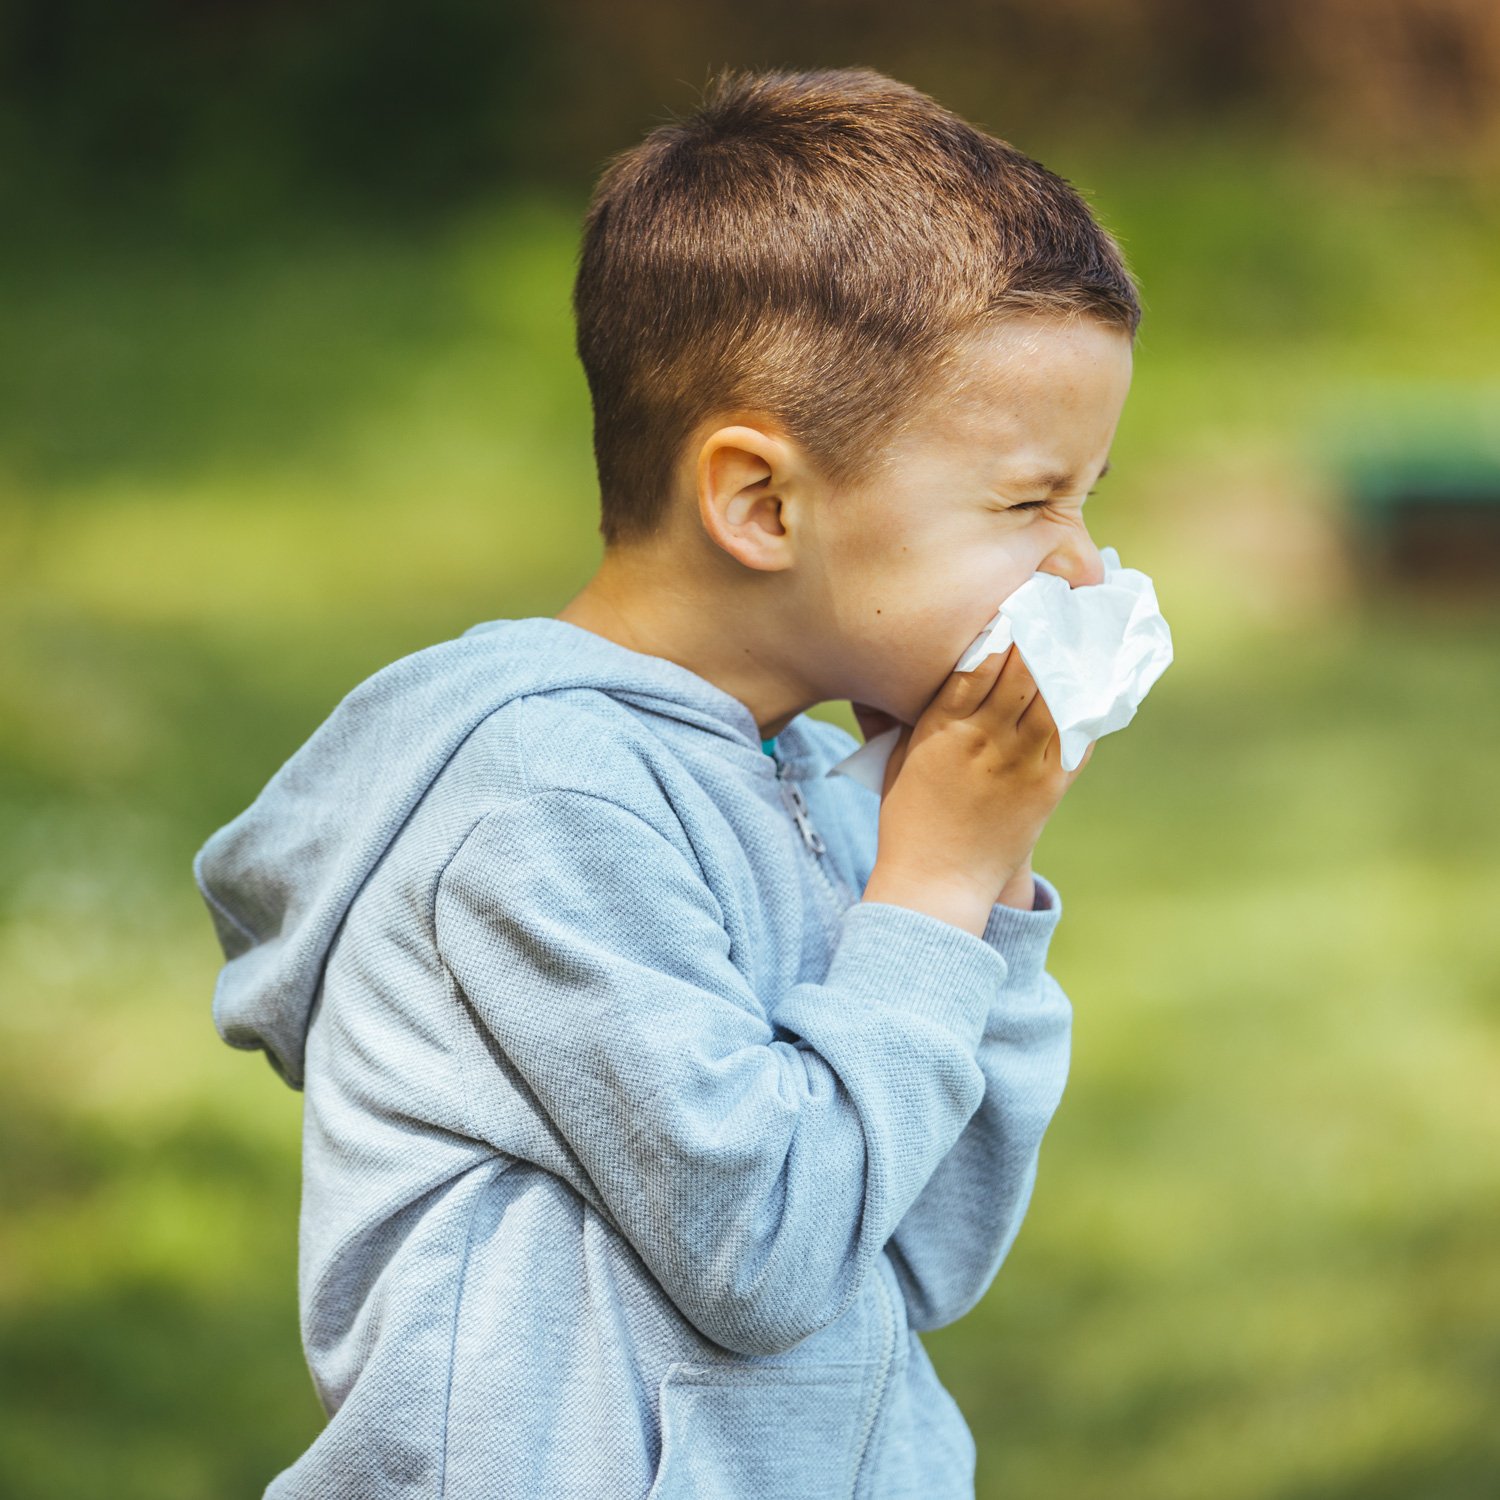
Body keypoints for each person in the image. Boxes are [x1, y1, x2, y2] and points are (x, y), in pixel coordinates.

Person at [194, 64, 1139, 1499]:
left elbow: (926, 1254)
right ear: (760, 503)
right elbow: (761, 1254)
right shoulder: (542, 799)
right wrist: (934, 890)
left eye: (1091, 500)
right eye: (1028, 503)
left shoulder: (826, 787)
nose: (1080, 565)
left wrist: (985, 895)